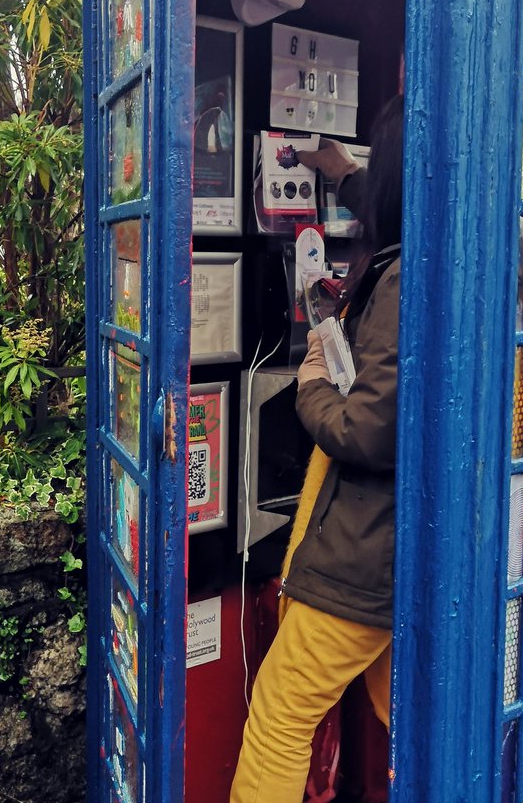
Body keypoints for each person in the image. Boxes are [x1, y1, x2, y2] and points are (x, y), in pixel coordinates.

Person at [229, 95, 404, 803]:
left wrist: (307, 383)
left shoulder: (402, 280)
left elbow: (367, 429)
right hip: (412, 548)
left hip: (366, 548)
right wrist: (338, 172)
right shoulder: (459, 246)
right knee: (405, 713)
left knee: (280, 711)